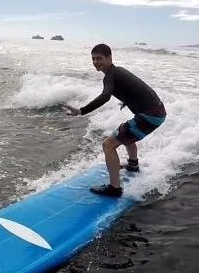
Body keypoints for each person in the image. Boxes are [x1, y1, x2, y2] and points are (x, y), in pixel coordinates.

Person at [62, 43, 166, 197]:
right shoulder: (119, 72)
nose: (96, 62)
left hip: (150, 115)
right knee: (125, 132)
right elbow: (136, 88)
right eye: (93, 59)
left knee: (108, 144)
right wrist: (127, 99)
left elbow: (105, 96)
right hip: (157, 112)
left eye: (100, 58)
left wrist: (81, 111)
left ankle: (114, 188)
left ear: (110, 57)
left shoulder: (111, 75)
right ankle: (133, 165)